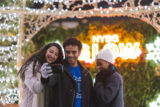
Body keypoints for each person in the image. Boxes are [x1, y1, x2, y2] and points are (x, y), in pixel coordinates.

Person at [44, 37, 93, 107]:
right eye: (68, 52)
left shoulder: (86, 74)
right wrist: (45, 77)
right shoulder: (58, 69)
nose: (70, 55)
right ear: (64, 52)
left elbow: (89, 98)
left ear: (79, 52)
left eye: (74, 52)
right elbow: (49, 82)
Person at [18, 42, 64, 107]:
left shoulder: (52, 69)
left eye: (56, 54)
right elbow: (35, 89)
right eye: (51, 52)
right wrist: (44, 77)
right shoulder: (31, 66)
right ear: (45, 51)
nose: (53, 55)